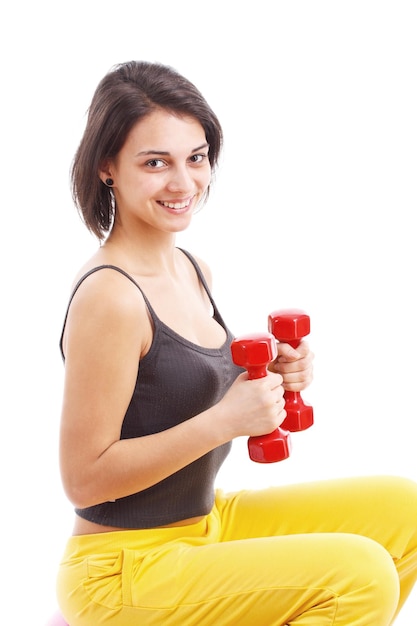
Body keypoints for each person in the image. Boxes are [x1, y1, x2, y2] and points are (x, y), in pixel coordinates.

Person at [56, 60, 417, 626]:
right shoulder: (111, 298)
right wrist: (226, 421)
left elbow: (173, 390)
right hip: (123, 568)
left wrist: (272, 373)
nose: (184, 183)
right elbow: (84, 478)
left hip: (205, 523)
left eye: (195, 158)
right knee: (360, 575)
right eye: (156, 163)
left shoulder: (192, 269)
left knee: (406, 510)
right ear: (108, 167)